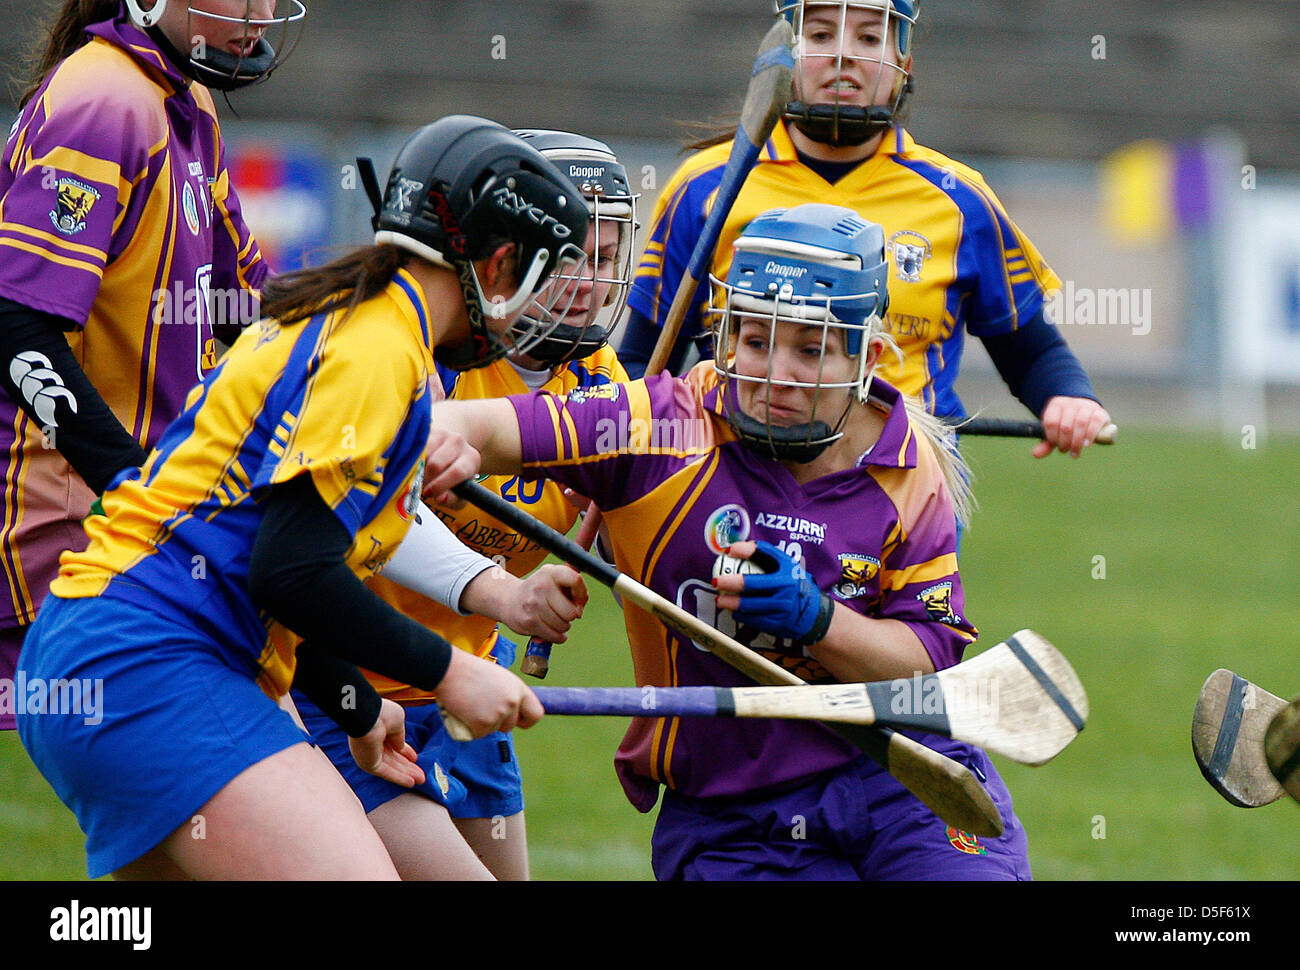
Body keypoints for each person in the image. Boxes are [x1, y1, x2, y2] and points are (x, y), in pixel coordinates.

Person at [15, 115, 589, 880]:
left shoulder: (356, 321)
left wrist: (351, 700)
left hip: (117, 654)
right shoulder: (378, 348)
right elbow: (291, 572)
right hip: (150, 660)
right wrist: (452, 672)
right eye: (536, 278)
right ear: (500, 260)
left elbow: (253, 558)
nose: (535, 310)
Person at [424, 203, 1033, 880]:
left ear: (865, 355)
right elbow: (477, 424)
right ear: (724, 335)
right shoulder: (656, 426)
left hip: (898, 776)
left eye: (811, 348)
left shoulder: (904, 462)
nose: (777, 374)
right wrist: (442, 441)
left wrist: (817, 621)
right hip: (736, 815)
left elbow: (923, 668)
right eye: (754, 340)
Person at [291, 128, 638, 880]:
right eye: (569, 256)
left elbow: (643, 538)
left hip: (467, 690)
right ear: (504, 255)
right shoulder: (427, 355)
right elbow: (367, 519)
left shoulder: (606, 386)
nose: (587, 280)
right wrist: (506, 591)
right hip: (347, 681)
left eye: (605, 258)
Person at [619, 0, 1111, 460]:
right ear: (786, 54)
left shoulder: (960, 200)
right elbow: (645, 358)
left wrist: (1068, 398)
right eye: (820, 33)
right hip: (737, 481)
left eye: (870, 38)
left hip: (904, 488)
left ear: (905, 63)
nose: (843, 56)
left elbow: (1031, 349)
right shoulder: (707, 187)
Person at [0, 0, 307, 730]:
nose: (263, 11)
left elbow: (248, 306)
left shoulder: (186, 100)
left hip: (138, 523)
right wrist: (134, 484)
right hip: (63, 528)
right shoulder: (103, 102)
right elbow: (15, 323)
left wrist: (378, 338)